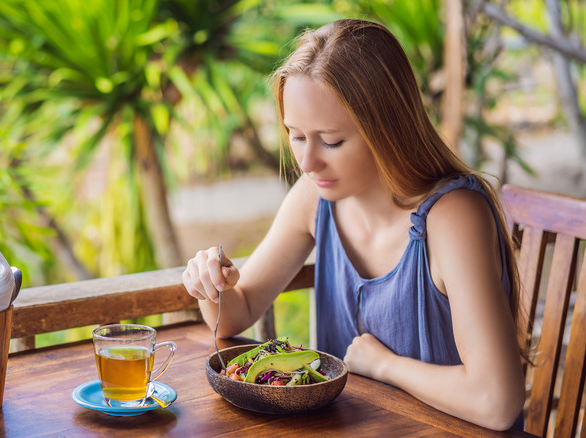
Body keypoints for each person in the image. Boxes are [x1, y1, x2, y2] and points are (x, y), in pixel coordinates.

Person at [181, 19, 526, 431]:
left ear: (388, 128)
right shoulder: (315, 199)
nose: (308, 163)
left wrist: (384, 365)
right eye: (296, 136)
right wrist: (211, 283)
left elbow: (497, 401)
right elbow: (239, 312)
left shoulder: (452, 216)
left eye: (331, 141)